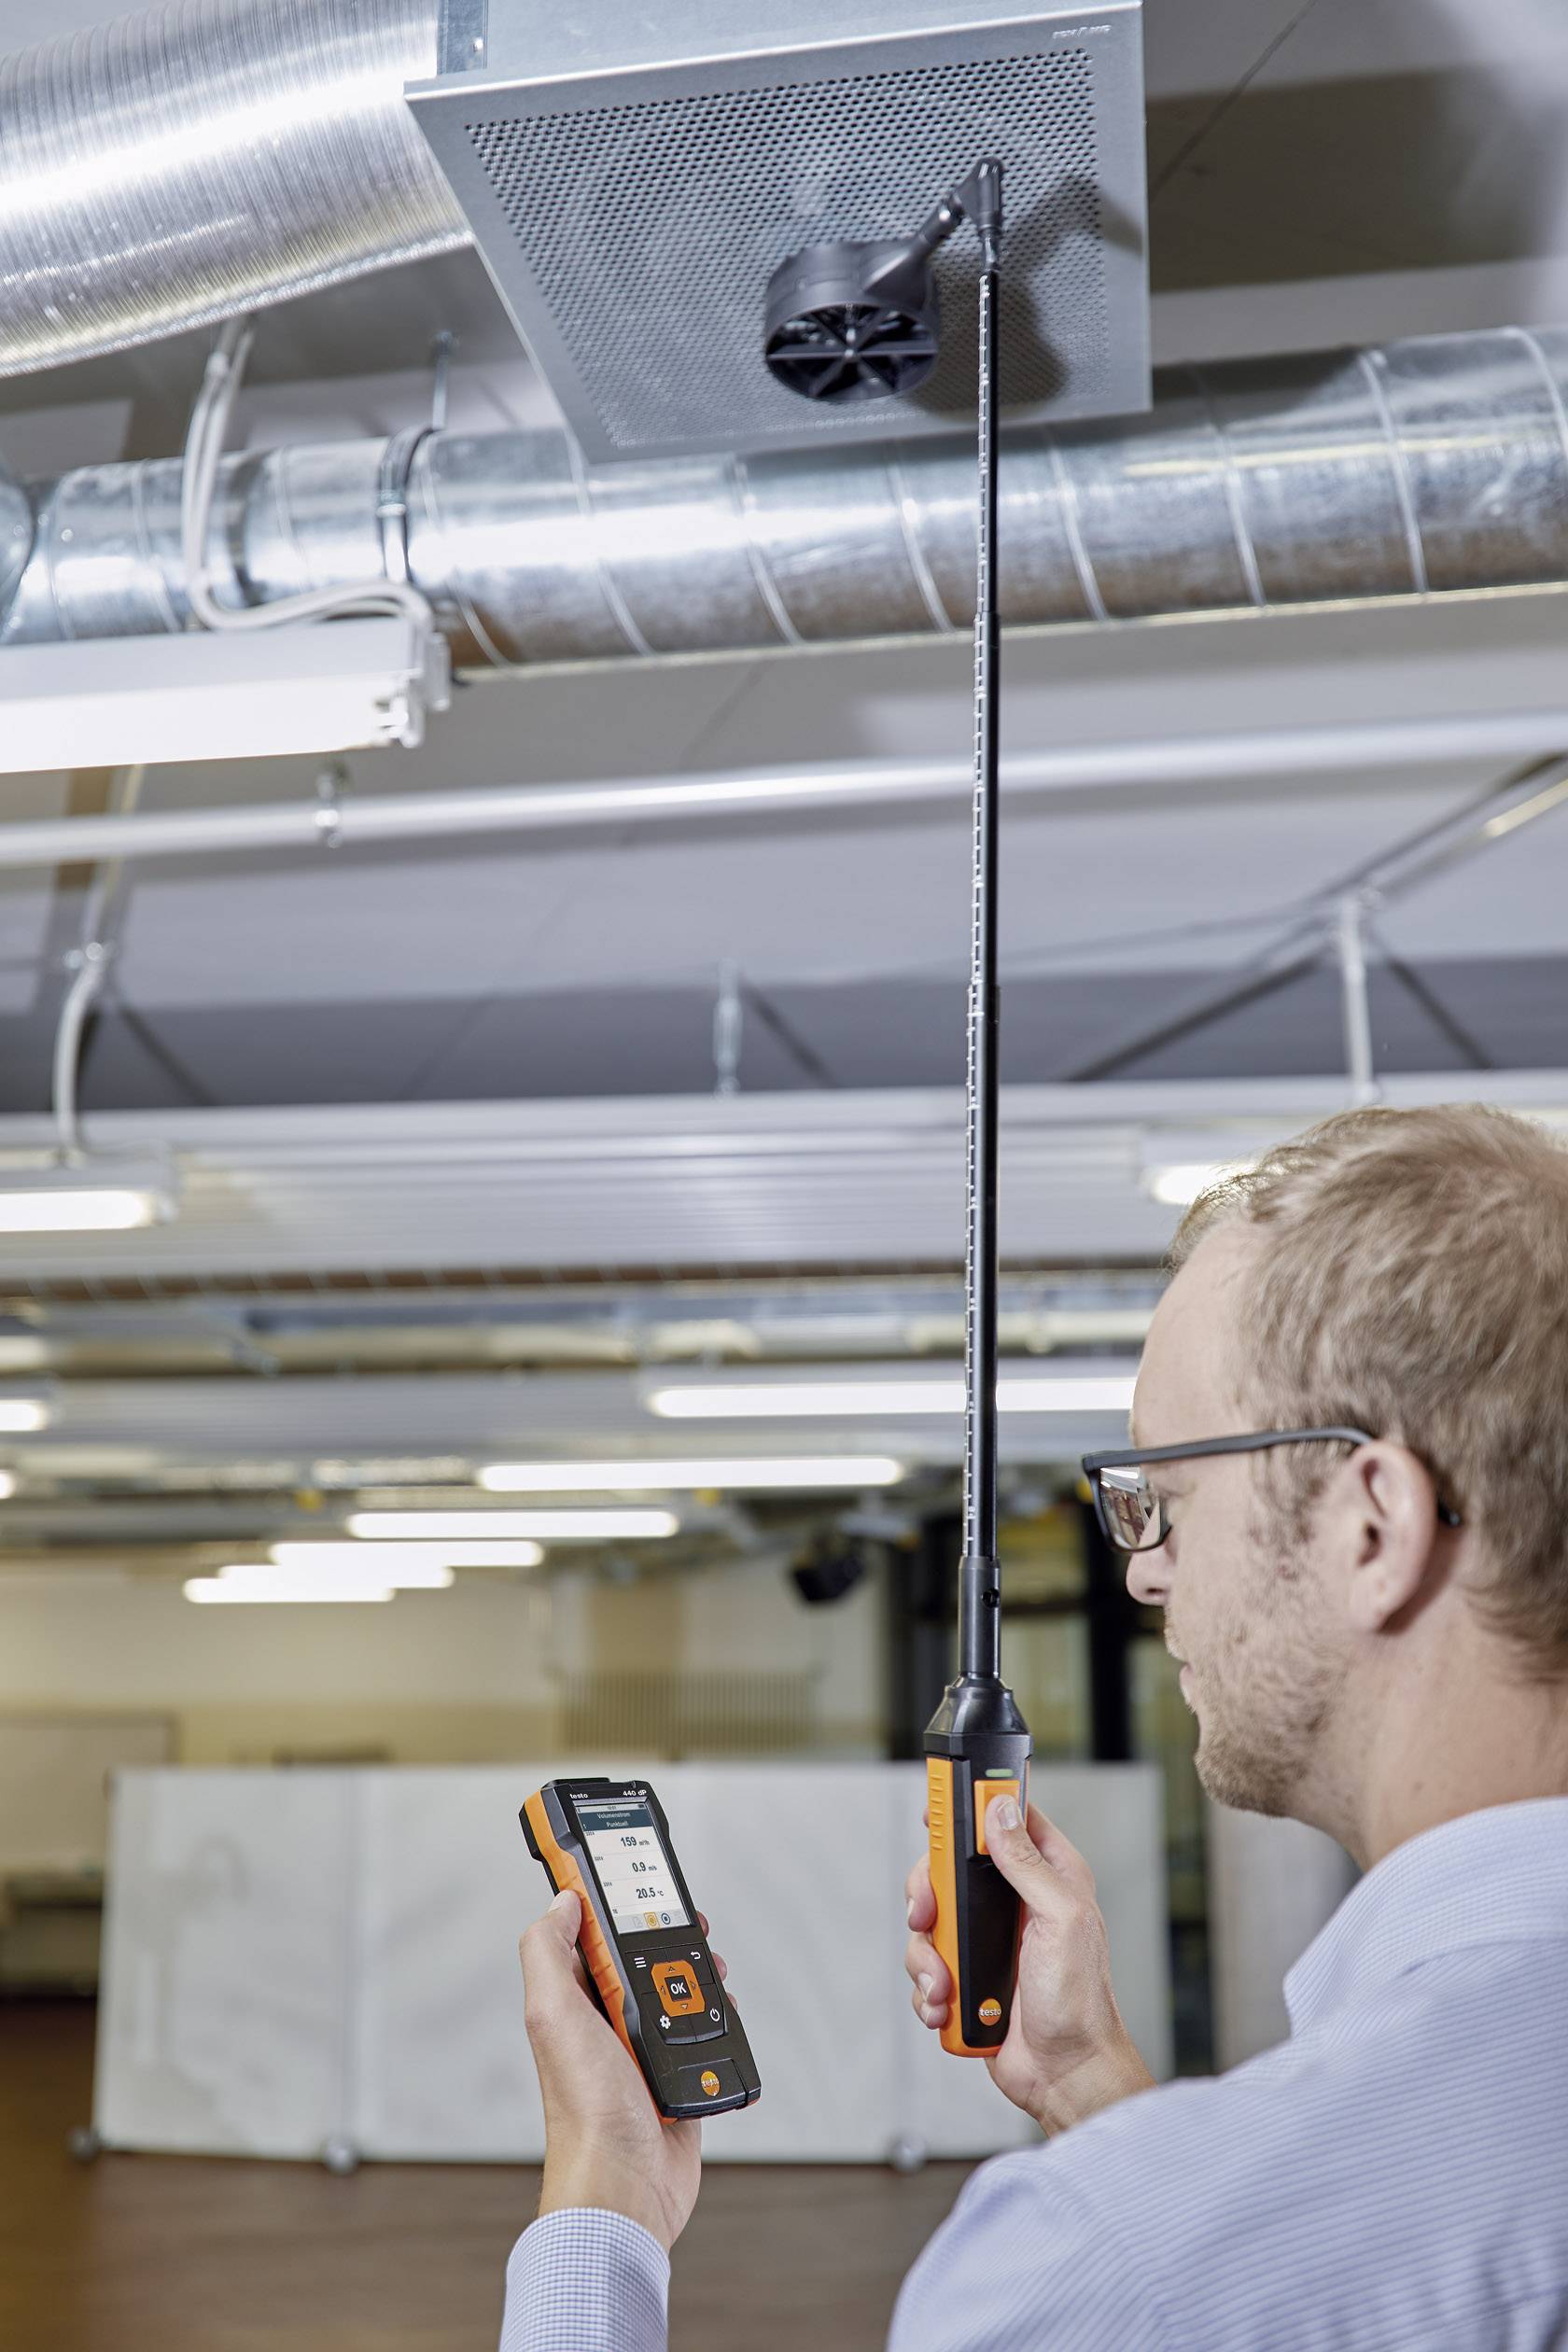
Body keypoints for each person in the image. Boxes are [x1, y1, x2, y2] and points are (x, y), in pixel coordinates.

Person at [499, 1104, 1568, 2349]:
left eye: (1165, 1496)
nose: (1144, 1574)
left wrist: (603, 2200)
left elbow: (1200, 2276)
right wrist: (1091, 2091)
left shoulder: (1101, 2265)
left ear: (1369, 1527)